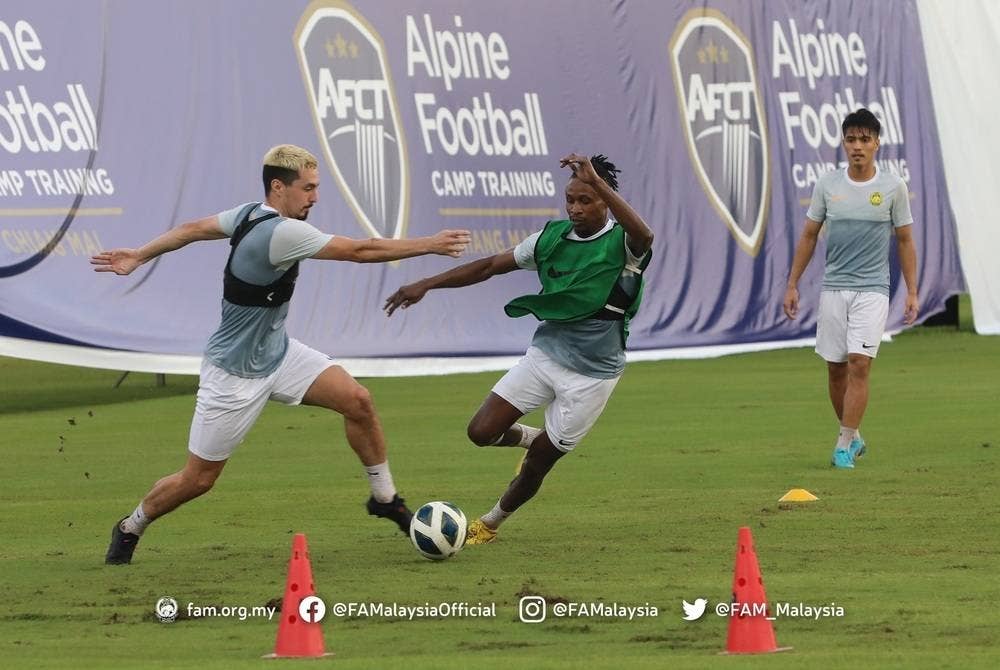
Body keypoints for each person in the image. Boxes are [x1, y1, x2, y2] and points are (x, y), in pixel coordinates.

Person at [93, 144, 470, 564]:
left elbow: (191, 228)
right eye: (308, 188)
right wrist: (430, 244)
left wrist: (140, 255)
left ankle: (385, 498)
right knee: (198, 480)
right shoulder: (282, 232)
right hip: (234, 375)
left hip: (279, 355)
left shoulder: (246, 213)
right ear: (279, 187)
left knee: (358, 401)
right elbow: (361, 252)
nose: (315, 197)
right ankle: (132, 525)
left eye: (316, 187)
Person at [384, 153, 654, 544]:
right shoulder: (549, 239)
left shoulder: (626, 245)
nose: (575, 208)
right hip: (545, 356)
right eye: (570, 200)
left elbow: (645, 236)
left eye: (586, 200)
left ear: (604, 201)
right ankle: (532, 437)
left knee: (536, 467)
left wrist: (599, 182)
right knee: (480, 431)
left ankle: (490, 523)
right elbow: (489, 266)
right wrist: (427, 283)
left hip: (593, 375)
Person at [783, 108, 919, 469]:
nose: (857, 146)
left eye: (864, 139)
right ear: (844, 143)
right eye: (851, 139)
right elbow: (810, 235)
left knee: (860, 364)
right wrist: (792, 284)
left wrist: (912, 292)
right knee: (836, 369)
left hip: (873, 290)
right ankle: (854, 435)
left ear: (877, 143)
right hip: (834, 289)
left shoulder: (892, 188)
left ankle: (842, 444)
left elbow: (905, 241)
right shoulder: (828, 185)